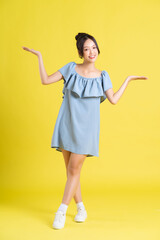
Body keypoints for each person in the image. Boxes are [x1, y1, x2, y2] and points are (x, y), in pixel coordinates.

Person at [22, 32, 148, 230]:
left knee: (73, 170)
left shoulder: (103, 76)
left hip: (87, 130)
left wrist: (128, 79)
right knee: (71, 172)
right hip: (67, 124)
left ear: (98, 49)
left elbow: (113, 99)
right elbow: (45, 80)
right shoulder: (70, 68)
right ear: (81, 52)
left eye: (94, 48)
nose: (92, 52)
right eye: (87, 48)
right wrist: (39, 56)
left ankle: (61, 211)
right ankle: (81, 208)